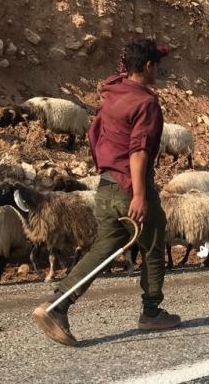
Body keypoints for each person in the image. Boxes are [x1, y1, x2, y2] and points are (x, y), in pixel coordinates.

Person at [32, 38, 181, 346]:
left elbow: (94, 132)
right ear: (149, 67)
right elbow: (139, 151)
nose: (160, 71)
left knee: (104, 248)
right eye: (157, 66)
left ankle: (58, 305)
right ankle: (152, 312)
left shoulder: (112, 90)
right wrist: (139, 194)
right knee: (153, 244)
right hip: (130, 186)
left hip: (106, 186)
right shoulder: (146, 103)